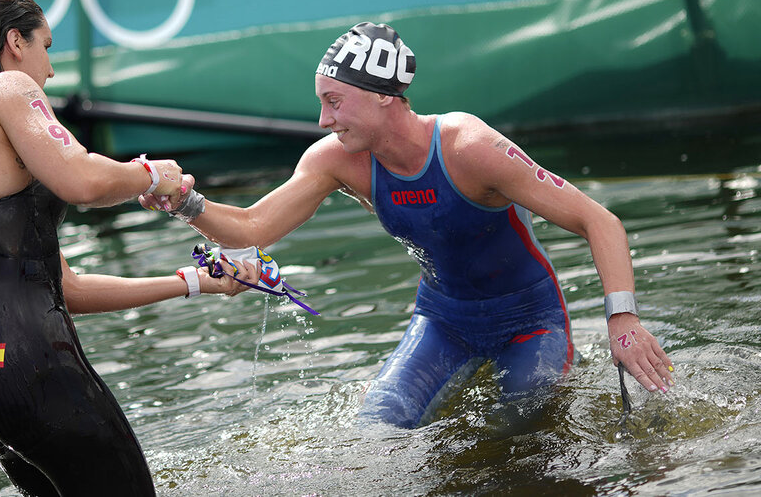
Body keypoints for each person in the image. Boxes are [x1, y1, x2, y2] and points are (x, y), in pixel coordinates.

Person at [143, 21, 675, 429]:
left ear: (382, 96)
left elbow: (597, 220)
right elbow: (253, 226)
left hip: (530, 320)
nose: (323, 121)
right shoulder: (337, 159)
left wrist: (621, 321)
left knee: (520, 434)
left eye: (333, 102)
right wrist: (187, 204)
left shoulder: (470, 149)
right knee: (376, 431)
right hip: (442, 320)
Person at [0, 0, 258, 496]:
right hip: (33, 368)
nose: (50, 70)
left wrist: (195, 282)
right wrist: (150, 174)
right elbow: (83, 181)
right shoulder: (6, 90)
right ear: (15, 41)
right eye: (46, 46)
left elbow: (67, 290)